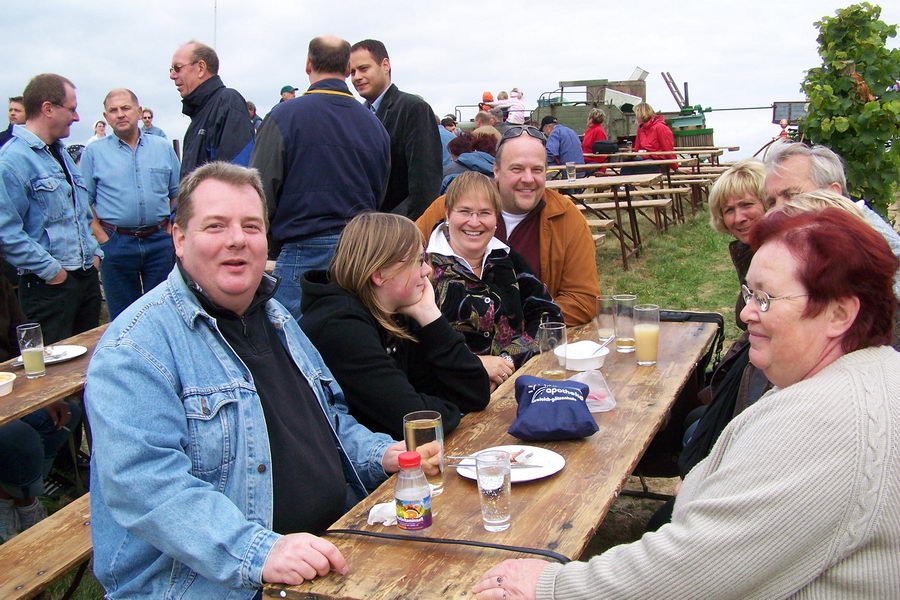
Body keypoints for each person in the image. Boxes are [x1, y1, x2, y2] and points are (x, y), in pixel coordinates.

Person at [473, 208, 900, 599]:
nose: (746, 314)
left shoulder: (824, 421)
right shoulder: (868, 377)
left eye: (765, 299)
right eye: (748, 294)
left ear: (840, 314)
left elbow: (689, 573)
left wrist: (549, 586)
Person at [86, 162, 437, 599]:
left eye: (251, 226)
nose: (237, 239)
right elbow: (146, 486)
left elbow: (330, 421)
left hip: (331, 545)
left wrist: (380, 454)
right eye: (215, 226)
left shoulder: (274, 316)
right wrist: (258, 552)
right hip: (218, 584)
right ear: (179, 239)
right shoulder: (137, 348)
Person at [299, 211, 490, 440]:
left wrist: (430, 316)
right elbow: (414, 420)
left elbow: (475, 394)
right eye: (418, 260)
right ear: (380, 274)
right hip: (353, 469)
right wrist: (452, 409)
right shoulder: (339, 327)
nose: (427, 270)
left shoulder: (397, 309)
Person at [251, 35, 390, 320]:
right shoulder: (373, 123)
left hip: (302, 252)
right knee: (350, 347)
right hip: (359, 253)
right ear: (347, 68)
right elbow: (379, 189)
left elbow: (259, 192)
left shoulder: (282, 116)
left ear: (308, 65)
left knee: (292, 351)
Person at [417, 125, 599, 326]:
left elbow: (583, 300)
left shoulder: (565, 216)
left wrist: (517, 328)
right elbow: (398, 266)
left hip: (532, 346)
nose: (528, 179)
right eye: (517, 168)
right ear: (496, 170)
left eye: (537, 169)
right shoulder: (450, 206)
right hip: (449, 343)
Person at [427, 172, 562, 389]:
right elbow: (413, 346)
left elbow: (549, 317)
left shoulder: (507, 259)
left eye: (484, 213)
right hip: (449, 400)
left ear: (496, 218)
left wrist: (508, 361)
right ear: (447, 213)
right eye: (465, 211)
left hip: (514, 388)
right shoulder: (425, 268)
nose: (474, 222)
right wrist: (474, 368)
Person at [0, 73, 102, 344]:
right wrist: (53, 272)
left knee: (89, 366)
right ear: (48, 108)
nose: (77, 117)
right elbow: (7, 233)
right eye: (72, 109)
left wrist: (94, 256)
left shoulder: (61, 154)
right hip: (48, 288)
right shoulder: (12, 161)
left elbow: (79, 214)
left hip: (84, 279)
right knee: (53, 374)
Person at [80, 88, 180, 319]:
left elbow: (177, 193)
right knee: (123, 317)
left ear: (138, 111)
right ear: (106, 117)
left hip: (158, 242)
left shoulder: (162, 147)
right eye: (113, 110)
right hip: (116, 242)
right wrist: (102, 238)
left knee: (164, 312)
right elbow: (84, 201)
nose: (120, 114)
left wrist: (168, 230)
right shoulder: (94, 152)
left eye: (125, 108)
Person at [350, 39, 442, 219]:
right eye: (352, 72)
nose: (356, 77)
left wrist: (404, 231)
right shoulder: (357, 116)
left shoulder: (413, 109)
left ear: (385, 65)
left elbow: (425, 184)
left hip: (399, 231)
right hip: (364, 230)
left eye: (363, 68)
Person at [170, 40, 254, 179]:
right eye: (171, 69)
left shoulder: (227, 102)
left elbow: (237, 179)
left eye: (177, 68)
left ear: (201, 68)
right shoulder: (198, 116)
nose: (172, 75)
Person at [625, 102, 675, 174]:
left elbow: (668, 148)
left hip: (659, 161)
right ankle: (625, 184)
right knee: (627, 164)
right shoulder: (641, 128)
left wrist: (675, 167)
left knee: (630, 168)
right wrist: (632, 155)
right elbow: (637, 148)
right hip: (645, 158)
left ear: (642, 114)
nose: (636, 117)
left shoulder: (660, 127)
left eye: (637, 115)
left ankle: (624, 184)